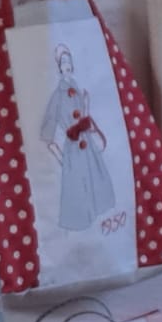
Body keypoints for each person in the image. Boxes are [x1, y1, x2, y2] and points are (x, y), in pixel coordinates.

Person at [41, 46, 116, 230]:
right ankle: (81, 221)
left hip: (86, 141)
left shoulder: (76, 87)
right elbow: (50, 118)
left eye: (69, 62)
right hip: (73, 146)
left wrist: (87, 107)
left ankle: (99, 213)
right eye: (63, 63)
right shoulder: (58, 95)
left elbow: (83, 114)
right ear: (59, 68)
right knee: (77, 183)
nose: (67, 66)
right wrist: (53, 145)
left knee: (93, 175)